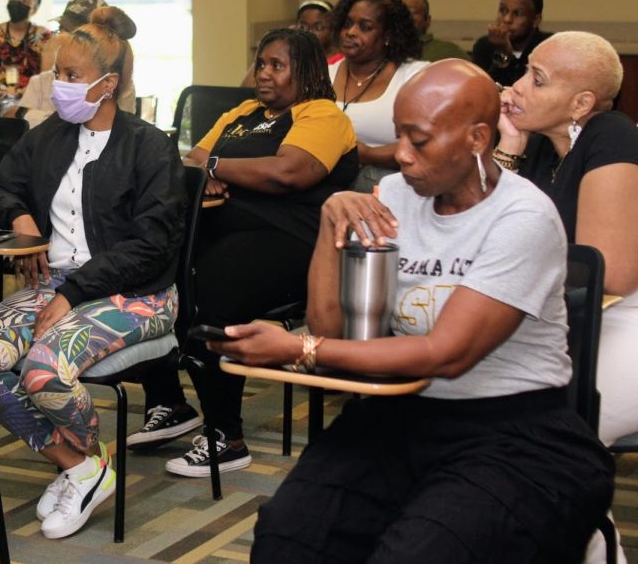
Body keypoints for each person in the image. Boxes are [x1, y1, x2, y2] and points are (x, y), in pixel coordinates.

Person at [211, 60, 613, 563]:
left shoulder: (522, 217)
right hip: (397, 414)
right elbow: (334, 332)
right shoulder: (397, 195)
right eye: (399, 135)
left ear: (477, 138)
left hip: (510, 430)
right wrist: (328, 228)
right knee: (289, 539)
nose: (401, 155)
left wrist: (296, 348)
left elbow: (444, 355)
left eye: (418, 141)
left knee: (420, 552)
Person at [0, 6, 185, 540]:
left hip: (137, 294)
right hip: (60, 286)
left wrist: (72, 293)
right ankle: (81, 466)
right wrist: (21, 216)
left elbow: (152, 246)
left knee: (42, 371)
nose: (57, 85)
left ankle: (87, 468)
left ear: (108, 84)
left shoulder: (149, 146)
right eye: (57, 73)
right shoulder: (51, 135)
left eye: (70, 76)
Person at [137, 29, 359, 476]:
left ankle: (226, 436)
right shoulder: (242, 113)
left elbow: (287, 172)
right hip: (220, 229)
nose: (264, 74)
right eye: (261, 64)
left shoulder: (323, 115)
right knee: (150, 270)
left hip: (297, 244)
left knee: (211, 288)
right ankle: (170, 402)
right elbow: (187, 163)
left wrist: (217, 167)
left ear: (309, 71)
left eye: (278, 66)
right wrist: (208, 169)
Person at [496, 31, 637, 563]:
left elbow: (610, 270)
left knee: (534, 436)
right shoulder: (535, 150)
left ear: (581, 103)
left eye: (536, 78)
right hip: (561, 320)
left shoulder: (612, 136)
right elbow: (484, 238)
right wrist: (507, 146)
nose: (515, 87)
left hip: (625, 321)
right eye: (522, 71)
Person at [328, 0, 427, 192]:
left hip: (386, 179)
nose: (351, 32)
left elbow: (428, 144)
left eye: (365, 27)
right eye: (347, 24)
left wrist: (365, 154)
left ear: (388, 36)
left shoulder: (414, 77)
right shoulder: (323, 74)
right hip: (323, 174)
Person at [13, 0, 137, 128]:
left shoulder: (119, 86)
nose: (61, 38)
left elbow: (117, 130)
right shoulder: (44, 79)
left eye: (71, 33)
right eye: (60, 29)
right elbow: (23, 125)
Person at [242, 0, 338, 87]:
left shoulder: (340, 62)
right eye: (303, 27)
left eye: (318, 28)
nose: (309, 32)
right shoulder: (288, 61)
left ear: (333, 30)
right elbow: (245, 93)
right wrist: (263, 49)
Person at [471, 0, 552, 87]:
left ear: (536, 20)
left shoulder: (547, 48)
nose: (507, 19)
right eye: (503, 11)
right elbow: (483, 91)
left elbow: (523, 89)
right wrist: (502, 54)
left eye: (517, 13)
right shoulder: (484, 46)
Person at [401, 0, 469, 62]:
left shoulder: (449, 52)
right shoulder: (389, 51)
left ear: (427, 20)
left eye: (413, 12)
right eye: (402, 12)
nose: (406, 16)